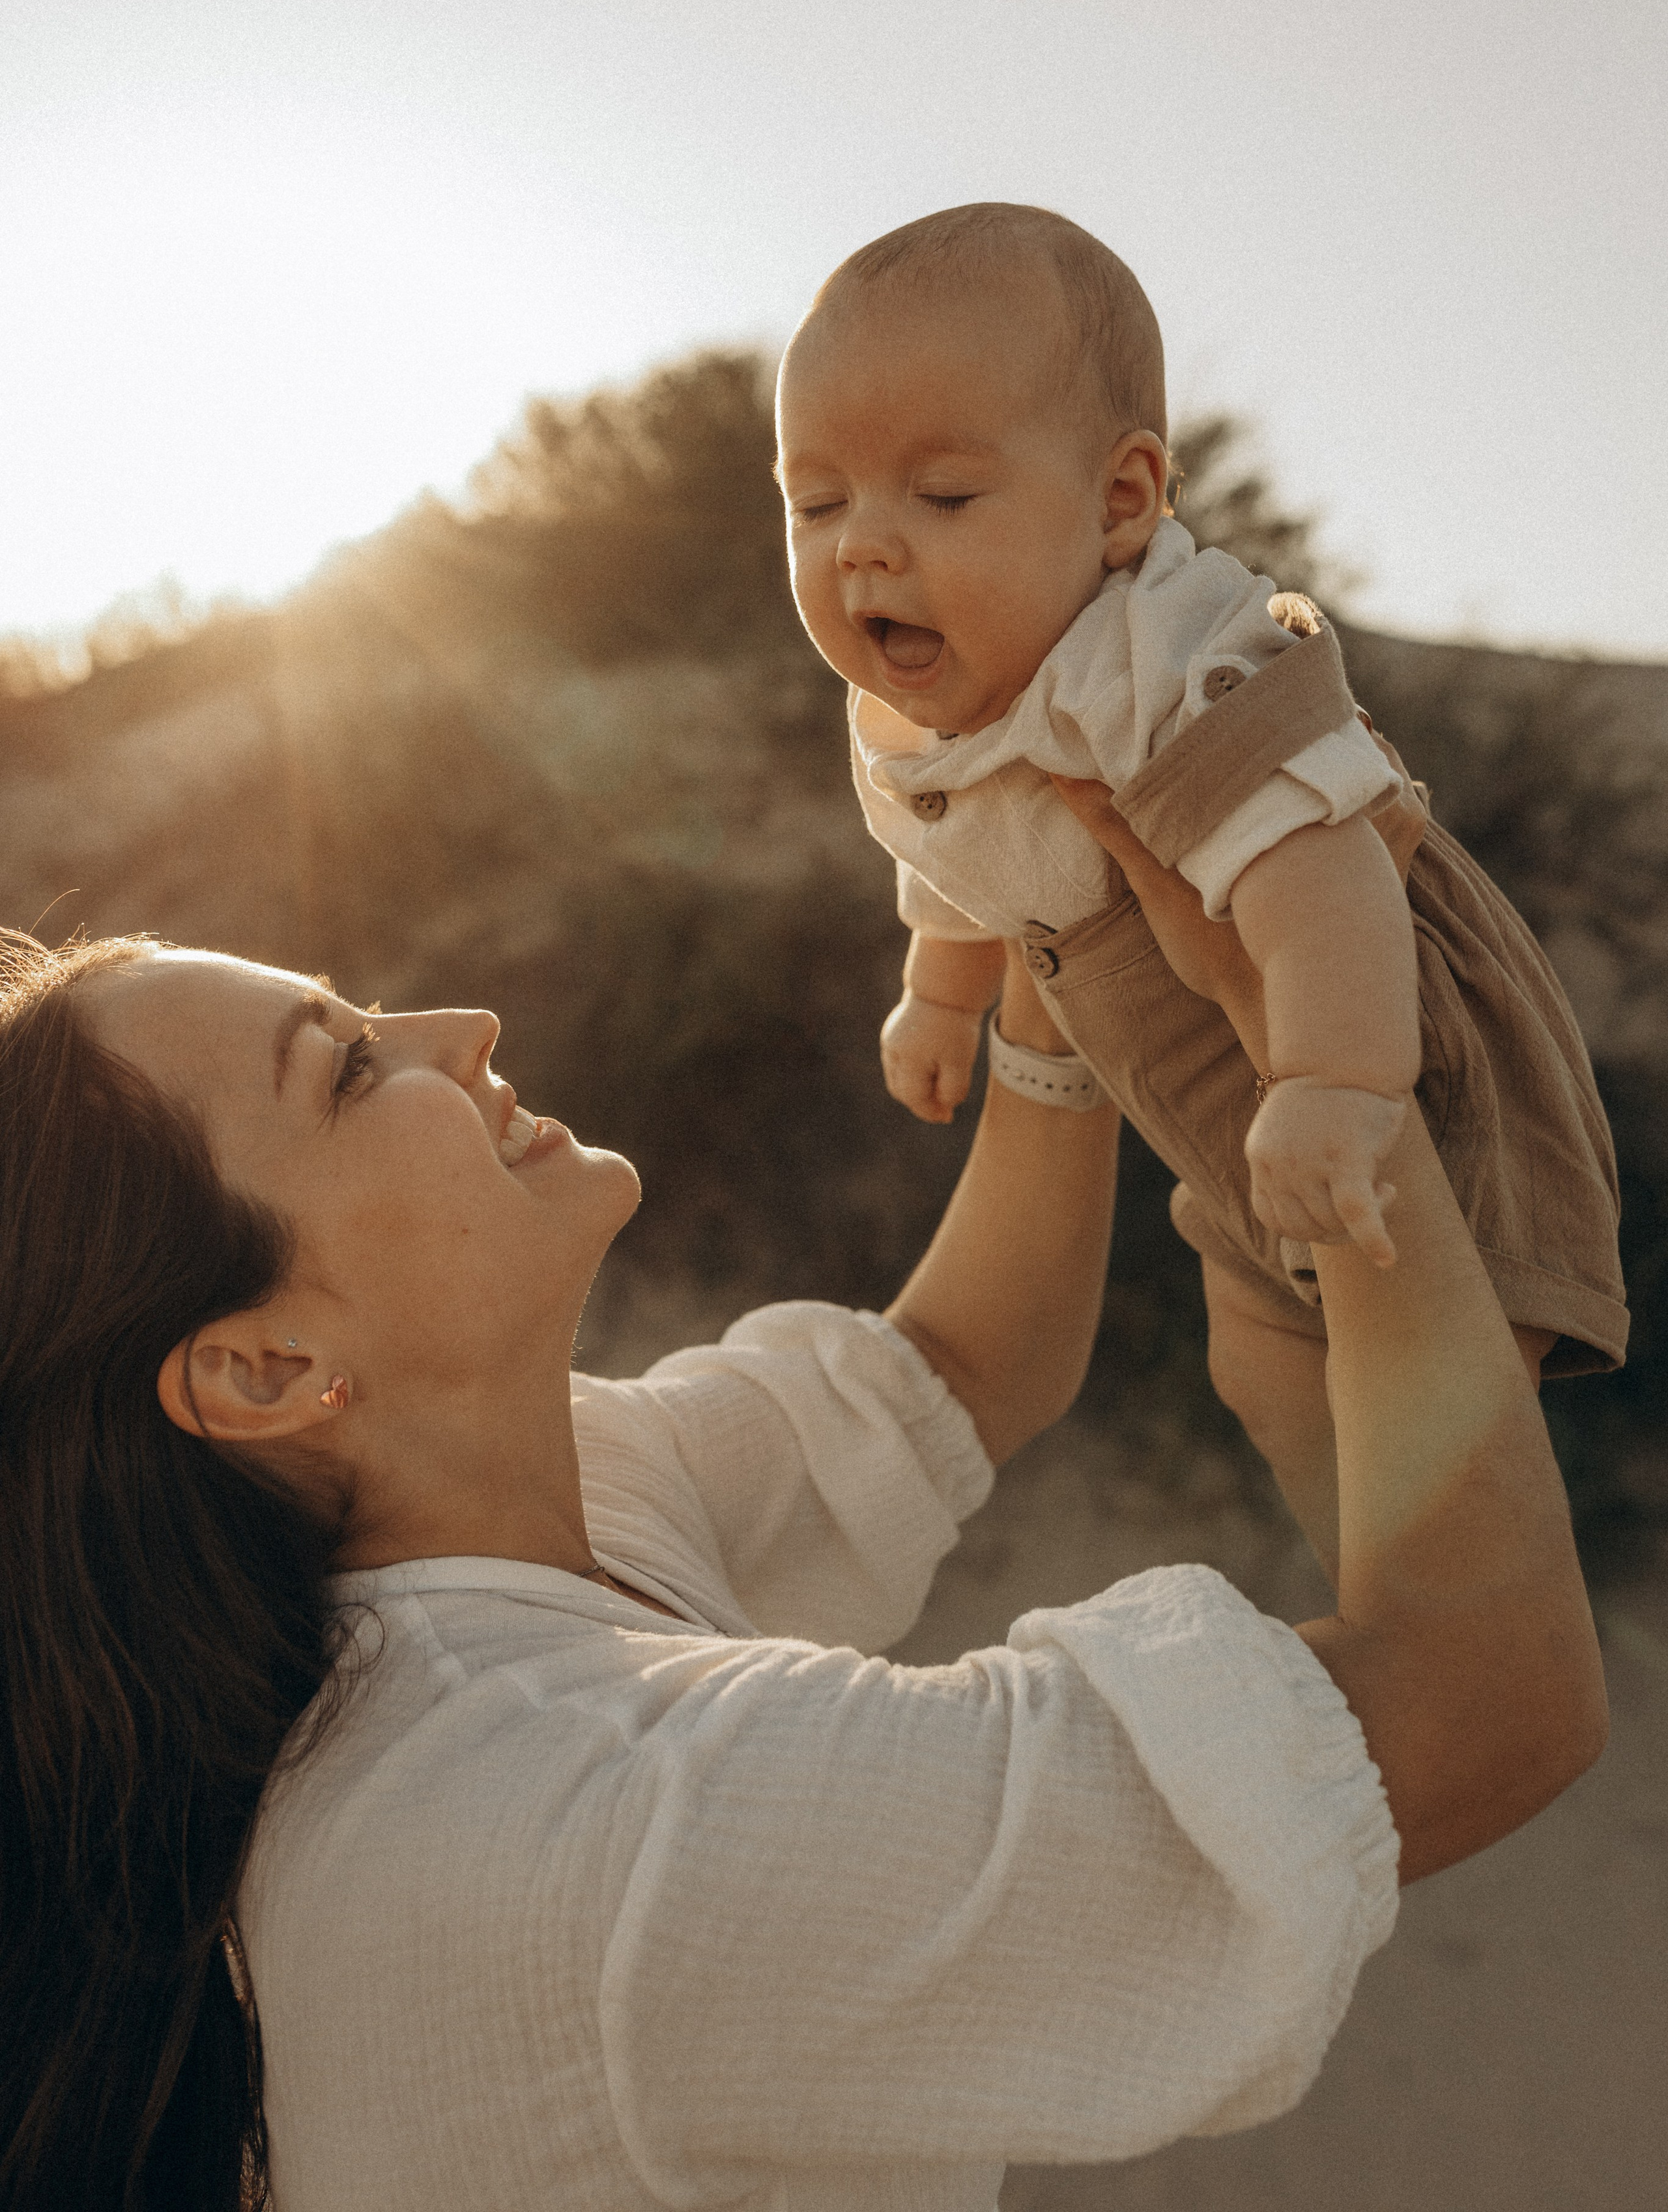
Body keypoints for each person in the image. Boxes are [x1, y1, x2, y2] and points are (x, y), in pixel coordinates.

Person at [0, 867, 1606, 2212]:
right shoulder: (574, 1834)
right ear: (263, 1370)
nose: (455, 1027)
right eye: (348, 1069)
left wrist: (1049, 948)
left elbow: (966, 1364)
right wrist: (1346, 1103)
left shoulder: (561, 1495)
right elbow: (1487, 1699)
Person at [775, 199, 1626, 1570]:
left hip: (1394, 1068)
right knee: (1270, 1376)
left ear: (1119, 502)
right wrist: (940, 1000)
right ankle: (1372, 1591)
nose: (862, 545)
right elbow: (954, 861)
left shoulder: (1168, 662)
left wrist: (1340, 1085)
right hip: (1223, 1131)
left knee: (1434, 1402)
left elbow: (1327, 865)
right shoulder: (916, 713)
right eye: (817, 502)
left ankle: (1458, 1607)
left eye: (941, 496)